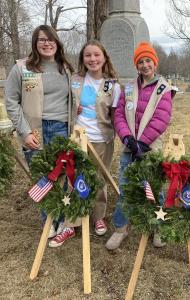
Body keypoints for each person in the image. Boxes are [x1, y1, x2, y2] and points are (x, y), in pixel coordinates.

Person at [48, 40, 121, 247]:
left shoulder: (112, 85)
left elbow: (116, 115)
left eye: (96, 55)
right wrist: (74, 112)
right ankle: (72, 224)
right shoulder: (75, 79)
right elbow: (64, 104)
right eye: (88, 55)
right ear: (82, 59)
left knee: (99, 180)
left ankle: (98, 216)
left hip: (102, 140)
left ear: (104, 57)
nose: (93, 59)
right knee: (75, 180)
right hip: (78, 139)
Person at [5, 25, 75, 242]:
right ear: (35, 43)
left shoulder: (66, 68)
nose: (46, 43)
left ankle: (64, 222)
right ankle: (49, 222)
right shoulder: (21, 68)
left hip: (62, 128)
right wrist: (25, 132)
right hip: (34, 130)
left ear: (57, 42)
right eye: (41, 39)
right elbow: (11, 102)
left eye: (50, 39)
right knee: (42, 177)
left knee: (62, 176)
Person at [105, 42, 174, 251]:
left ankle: (158, 227)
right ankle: (120, 228)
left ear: (155, 62)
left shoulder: (164, 88)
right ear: (137, 65)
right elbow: (118, 115)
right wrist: (127, 138)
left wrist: (142, 143)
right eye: (141, 61)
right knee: (126, 188)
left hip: (150, 148)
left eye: (148, 60)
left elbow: (161, 118)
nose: (145, 65)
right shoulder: (128, 87)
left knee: (154, 188)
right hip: (129, 148)